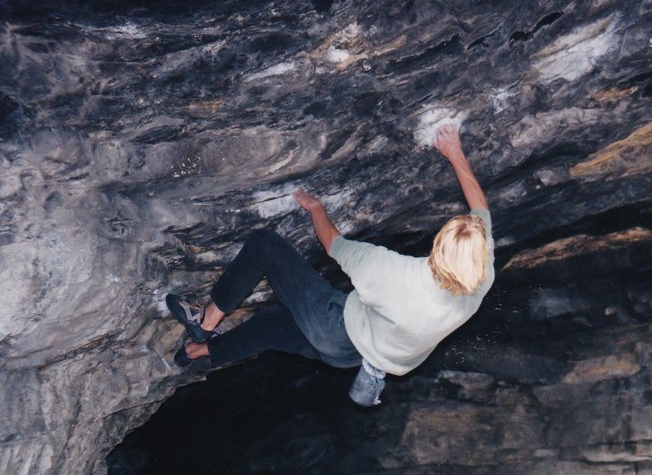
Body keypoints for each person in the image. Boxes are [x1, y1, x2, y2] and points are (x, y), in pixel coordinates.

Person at [166, 124, 495, 406]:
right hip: (363, 357)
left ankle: (206, 320)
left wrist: (317, 209)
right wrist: (455, 153)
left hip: (336, 329)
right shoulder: (481, 279)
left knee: (263, 245)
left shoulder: (398, 275)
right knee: (268, 326)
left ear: (438, 250)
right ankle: (199, 351)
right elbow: (480, 213)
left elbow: (334, 245)